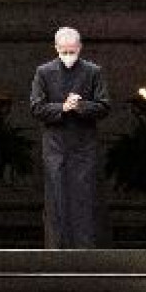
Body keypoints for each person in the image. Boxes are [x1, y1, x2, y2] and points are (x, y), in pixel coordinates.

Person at [30, 26, 110, 247]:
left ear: (80, 48)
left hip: (84, 147)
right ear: (56, 48)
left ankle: (86, 249)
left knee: (85, 198)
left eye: (72, 51)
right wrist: (62, 108)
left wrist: (81, 106)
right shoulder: (44, 72)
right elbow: (36, 107)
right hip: (56, 147)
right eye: (64, 51)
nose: (68, 56)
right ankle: (56, 249)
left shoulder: (93, 72)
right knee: (56, 199)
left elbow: (104, 106)